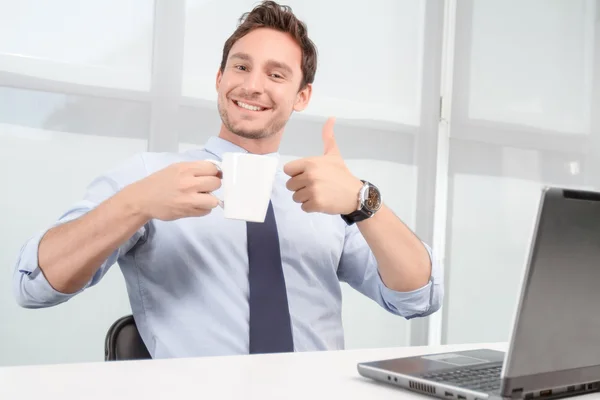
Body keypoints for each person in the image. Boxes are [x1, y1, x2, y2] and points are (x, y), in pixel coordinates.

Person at [13, 1, 443, 358]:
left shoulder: (325, 193)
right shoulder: (150, 177)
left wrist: (361, 200)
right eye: (240, 67)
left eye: (276, 75)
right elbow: (34, 285)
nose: (252, 85)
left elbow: (418, 297)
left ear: (302, 96)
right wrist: (136, 203)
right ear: (220, 80)